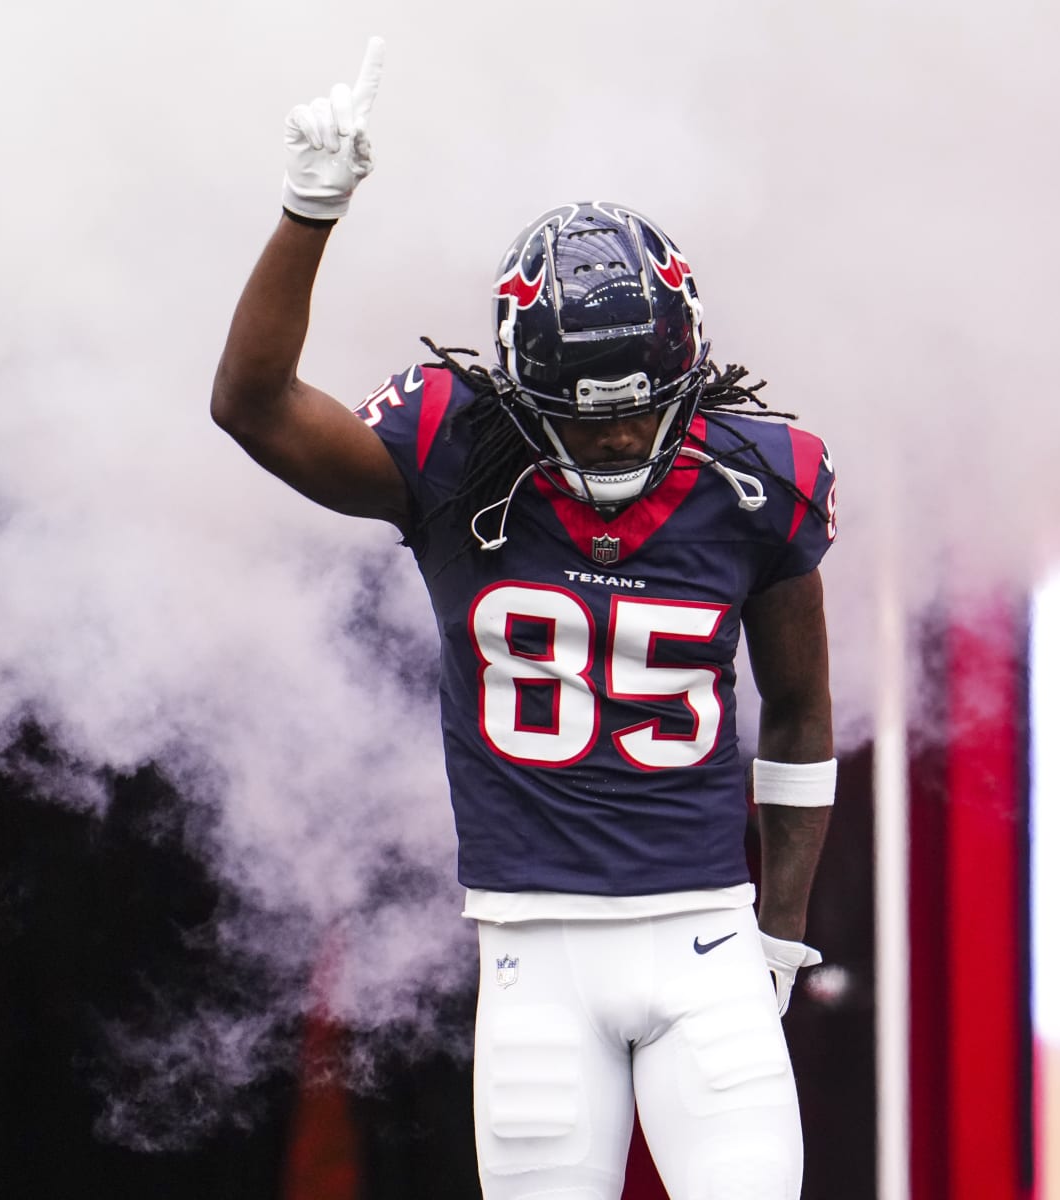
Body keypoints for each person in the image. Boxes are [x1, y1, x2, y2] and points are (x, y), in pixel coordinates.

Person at [210, 39, 839, 1200]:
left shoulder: (760, 476)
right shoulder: (454, 452)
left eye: (637, 412)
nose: (612, 439)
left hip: (705, 939)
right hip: (529, 949)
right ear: (514, 382)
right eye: (581, 415)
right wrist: (309, 213)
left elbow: (801, 709)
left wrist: (781, 935)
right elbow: (249, 405)